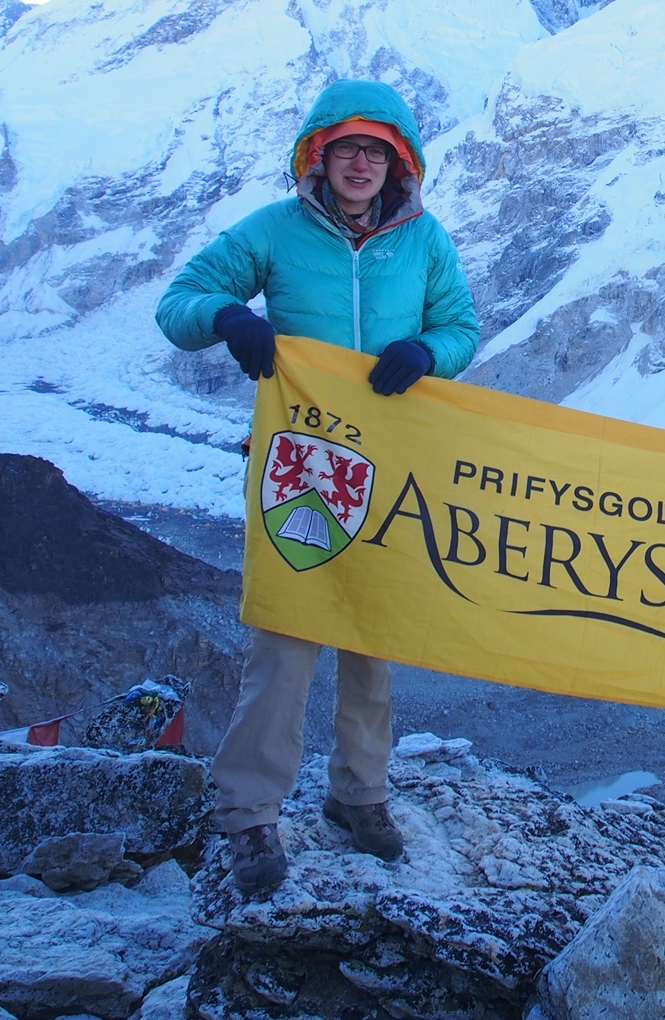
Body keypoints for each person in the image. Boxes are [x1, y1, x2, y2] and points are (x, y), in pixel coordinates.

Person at [156, 78, 479, 895]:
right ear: (319, 155)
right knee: (288, 639)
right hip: (300, 467)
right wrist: (228, 318)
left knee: (373, 638)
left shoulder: (424, 241)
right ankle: (249, 813)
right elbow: (181, 301)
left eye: (378, 150)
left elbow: (460, 327)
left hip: (393, 467)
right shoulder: (274, 230)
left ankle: (360, 795)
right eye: (347, 149)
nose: (362, 163)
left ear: (399, 161)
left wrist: (430, 354)